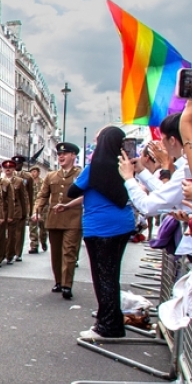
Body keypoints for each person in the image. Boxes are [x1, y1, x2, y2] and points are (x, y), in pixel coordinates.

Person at [69, 127, 136, 340]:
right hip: (123, 224)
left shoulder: (94, 167)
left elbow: (72, 190)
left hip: (99, 227)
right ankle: (112, 320)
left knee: (103, 277)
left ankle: (107, 326)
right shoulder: (125, 166)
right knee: (112, 275)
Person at [33, 143, 83, 299]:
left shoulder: (81, 174)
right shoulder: (51, 175)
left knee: (69, 252)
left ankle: (67, 285)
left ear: (73, 156)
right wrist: (37, 210)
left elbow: (86, 195)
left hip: (73, 218)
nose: (61, 157)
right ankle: (59, 281)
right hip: (54, 218)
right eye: (59, 154)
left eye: (65, 154)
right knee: (56, 253)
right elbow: (42, 195)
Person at [27, 165, 48, 254]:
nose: (33, 173)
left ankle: (43, 241)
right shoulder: (28, 183)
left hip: (42, 208)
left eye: (34, 172)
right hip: (32, 207)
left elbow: (45, 195)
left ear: (38, 173)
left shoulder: (43, 182)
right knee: (32, 227)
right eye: (31, 172)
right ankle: (34, 246)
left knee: (43, 227)